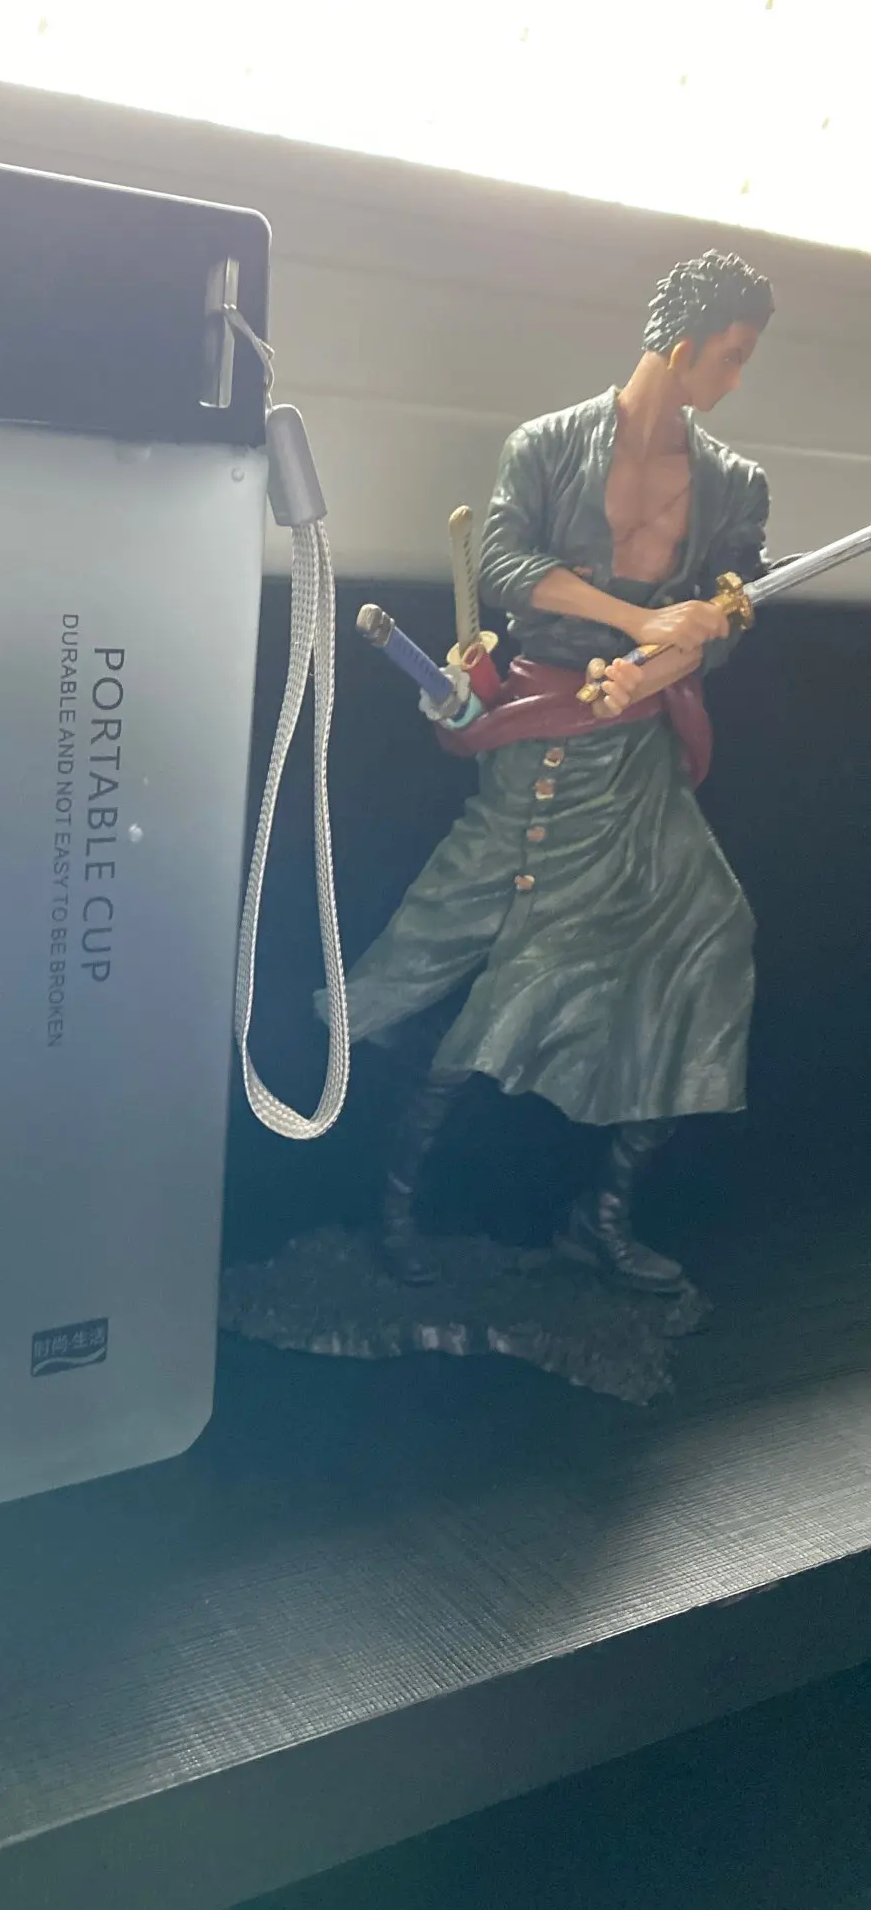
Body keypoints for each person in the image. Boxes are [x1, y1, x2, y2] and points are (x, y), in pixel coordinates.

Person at [328, 249, 776, 1295]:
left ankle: (602, 1214)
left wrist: (658, 664)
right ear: (683, 344)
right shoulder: (548, 445)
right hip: (536, 741)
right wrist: (631, 622)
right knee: (496, 968)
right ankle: (393, 1207)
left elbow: (725, 619)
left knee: (710, 942)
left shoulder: (735, 485)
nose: (735, 378)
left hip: (642, 753)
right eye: (731, 355)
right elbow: (504, 565)